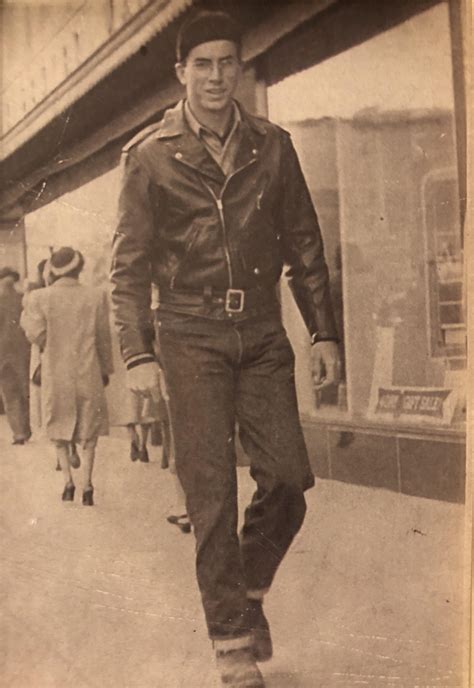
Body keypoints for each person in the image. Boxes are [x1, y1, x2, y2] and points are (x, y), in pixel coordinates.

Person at [110, 11, 340, 687]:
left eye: (227, 63)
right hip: (188, 335)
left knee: (289, 481)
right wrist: (138, 354)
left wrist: (323, 331)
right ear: (181, 73)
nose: (216, 77)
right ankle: (232, 651)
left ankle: (248, 591)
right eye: (202, 64)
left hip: (264, 332)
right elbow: (127, 268)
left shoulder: (273, 145)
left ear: (241, 69)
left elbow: (305, 247)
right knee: (211, 497)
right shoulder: (149, 156)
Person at [21, 247, 113, 506]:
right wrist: (105, 369)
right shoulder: (96, 296)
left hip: (55, 371)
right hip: (88, 369)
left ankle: (68, 483)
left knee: (58, 424)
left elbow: (34, 333)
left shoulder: (39, 297)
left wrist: (48, 344)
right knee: (89, 429)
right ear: (79, 268)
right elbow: (104, 338)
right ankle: (88, 485)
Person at [0, 267, 31, 445]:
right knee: (25, 391)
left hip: (2, 353)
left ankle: (19, 432)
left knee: (9, 392)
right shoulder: (23, 299)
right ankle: (27, 428)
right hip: (23, 351)